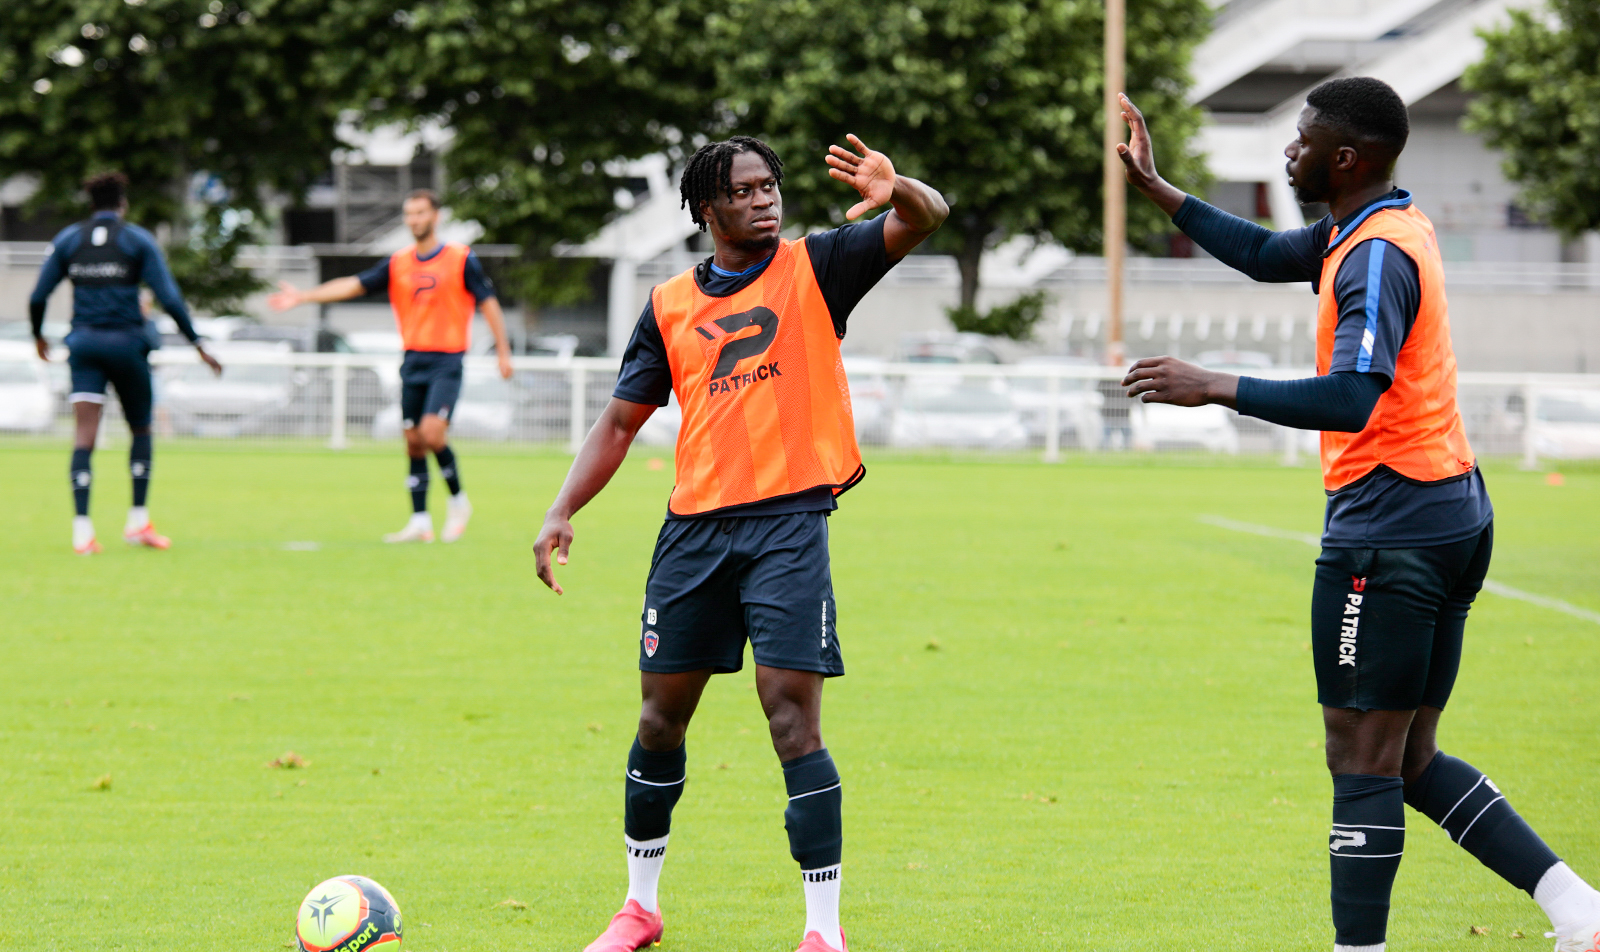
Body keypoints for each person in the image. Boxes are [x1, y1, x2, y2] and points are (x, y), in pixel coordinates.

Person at [1115, 78, 1600, 952]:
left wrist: (1215, 385)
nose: (1288, 151)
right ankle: (1577, 908)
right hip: (1448, 511)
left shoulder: (1378, 255)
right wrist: (1159, 189)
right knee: (1409, 759)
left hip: (1392, 527)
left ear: (1347, 157)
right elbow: (1267, 255)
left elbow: (1353, 395)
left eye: (1301, 140)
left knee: (1360, 758)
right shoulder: (1374, 224)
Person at [532, 134, 947, 952]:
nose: (766, 199)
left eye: (771, 186)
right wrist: (561, 507)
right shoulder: (667, 306)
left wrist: (899, 188)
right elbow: (622, 421)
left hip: (790, 526)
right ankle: (639, 908)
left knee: (791, 720)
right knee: (659, 721)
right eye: (747, 190)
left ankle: (822, 931)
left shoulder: (818, 266)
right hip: (693, 533)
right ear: (708, 208)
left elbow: (927, 218)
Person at [268, 188, 513, 543]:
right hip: (412, 359)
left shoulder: (461, 258)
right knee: (412, 441)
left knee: (432, 434)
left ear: (436, 216)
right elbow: (354, 285)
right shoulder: (399, 262)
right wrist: (305, 295)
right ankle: (419, 521)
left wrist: (502, 351)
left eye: (421, 213)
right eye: (409, 214)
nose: (414, 219)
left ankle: (459, 501)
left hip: (447, 359)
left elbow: (488, 303)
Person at [29, 171, 223, 554]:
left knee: (84, 435)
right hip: (126, 345)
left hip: (83, 345)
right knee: (141, 429)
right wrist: (197, 342)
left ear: (91, 204)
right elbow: (168, 295)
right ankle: (137, 521)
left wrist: (38, 335)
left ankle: (82, 533)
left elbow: (38, 295)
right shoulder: (136, 240)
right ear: (123, 204)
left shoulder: (69, 240)